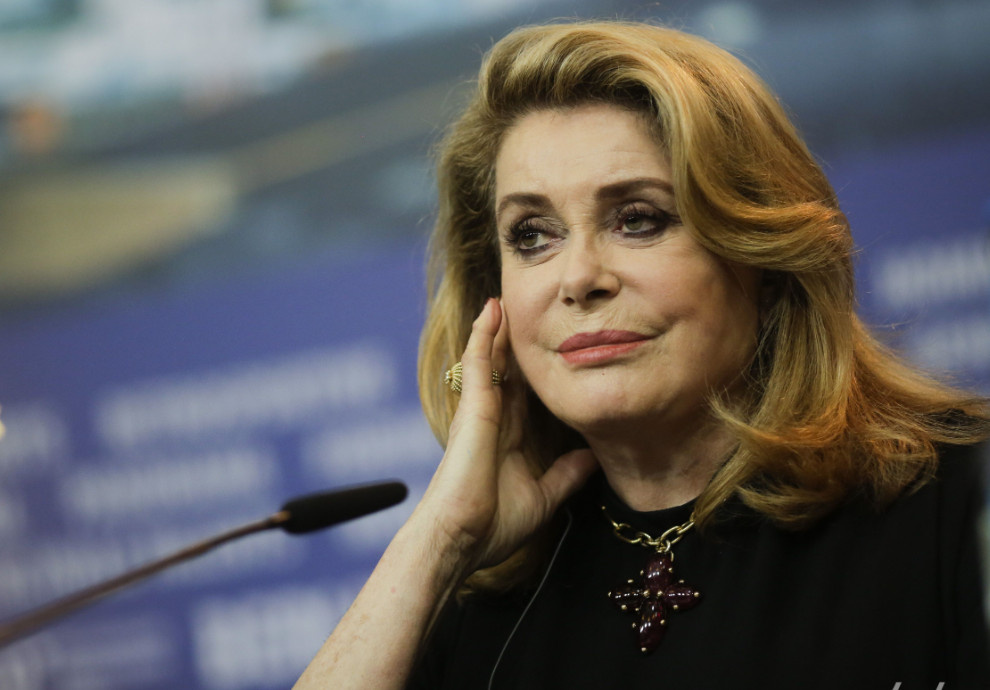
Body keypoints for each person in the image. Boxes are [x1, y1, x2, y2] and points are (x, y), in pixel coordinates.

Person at [294, 20, 990, 689]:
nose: (578, 279)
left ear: (766, 257)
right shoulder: (477, 586)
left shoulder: (957, 500)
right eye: (532, 235)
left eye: (638, 220)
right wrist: (439, 542)